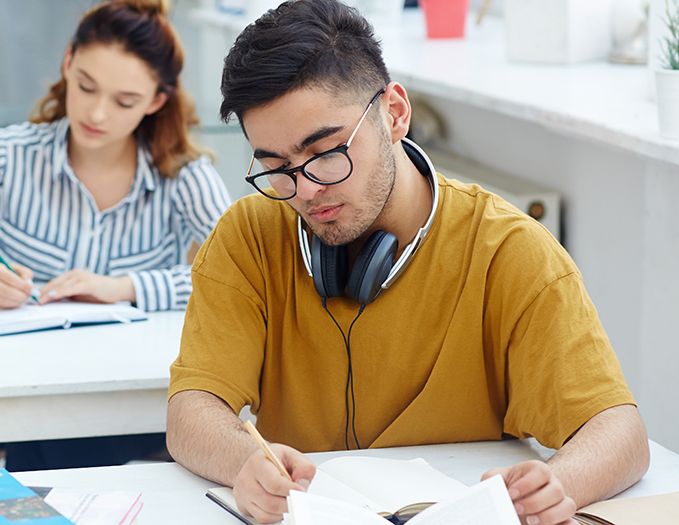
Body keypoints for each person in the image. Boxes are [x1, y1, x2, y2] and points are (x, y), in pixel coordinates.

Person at [165, 1, 649, 524]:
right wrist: (244, 463)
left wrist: (556, 486)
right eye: (276, 168)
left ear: (394, 114)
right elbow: (190, 411)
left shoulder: (509, 252)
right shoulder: (248, 236)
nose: (304, 190)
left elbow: (620, 433)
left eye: (327, 152)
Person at [0, 0, 232, 470]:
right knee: (56, 450)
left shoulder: (183, 174)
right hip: (29, 391)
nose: (97, 113)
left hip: (133, 394)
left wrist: (123, 289)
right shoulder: (7, 156)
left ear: (155, 101)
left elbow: (240, 279)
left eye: (124, 101)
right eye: (86, 86)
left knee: (57, 455)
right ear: (68, 63)